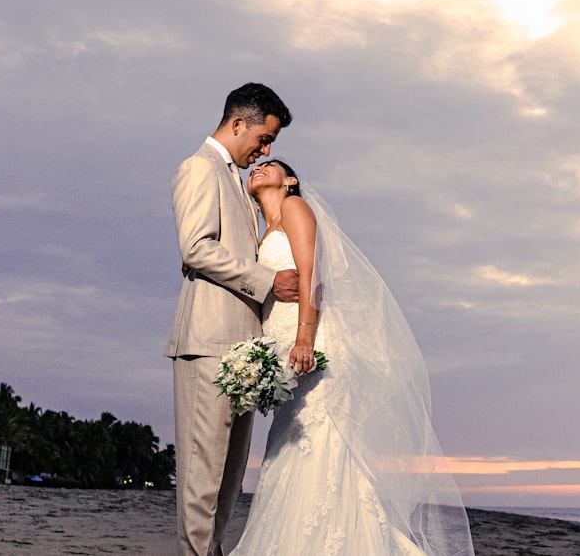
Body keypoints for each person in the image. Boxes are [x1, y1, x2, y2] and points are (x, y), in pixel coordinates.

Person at [231, 160, 475, 555]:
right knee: (291, 446)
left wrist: (305, 338)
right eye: (255, 165)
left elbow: (311, 275)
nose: (258, 168)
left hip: (308, 345)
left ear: (289, 180)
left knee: (322, 441)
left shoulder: (295, 207)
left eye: (270, 165)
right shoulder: (262, 231)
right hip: (284, 354)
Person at [164, 83, 297, 556]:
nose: (263, 151)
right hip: (207, 345)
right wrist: (267, 280)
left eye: (270, 146)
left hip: (243, 351)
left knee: (228, 480)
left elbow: (218, 252)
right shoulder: (199, 168)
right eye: (263, 139)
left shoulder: (239, 182)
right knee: (202, 480)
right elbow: (196, 247)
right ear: (238, 123)